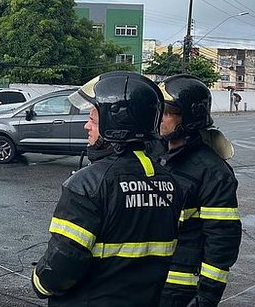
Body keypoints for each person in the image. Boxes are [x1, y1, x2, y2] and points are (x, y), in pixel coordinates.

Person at [31, 71, 183, 306]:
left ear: (115, 125)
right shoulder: (169, 181)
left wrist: (39, 281)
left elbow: (62, 265)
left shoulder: (87, 184)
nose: (86, 126)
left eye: (92, 119)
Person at [157, 74, 242, 307]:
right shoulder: (154, 156)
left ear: (189, 117)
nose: (159, 119)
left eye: (166, 113)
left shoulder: (213, 172)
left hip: (178, 288)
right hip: (145, 280)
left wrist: (207, 297)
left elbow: (222, 240)